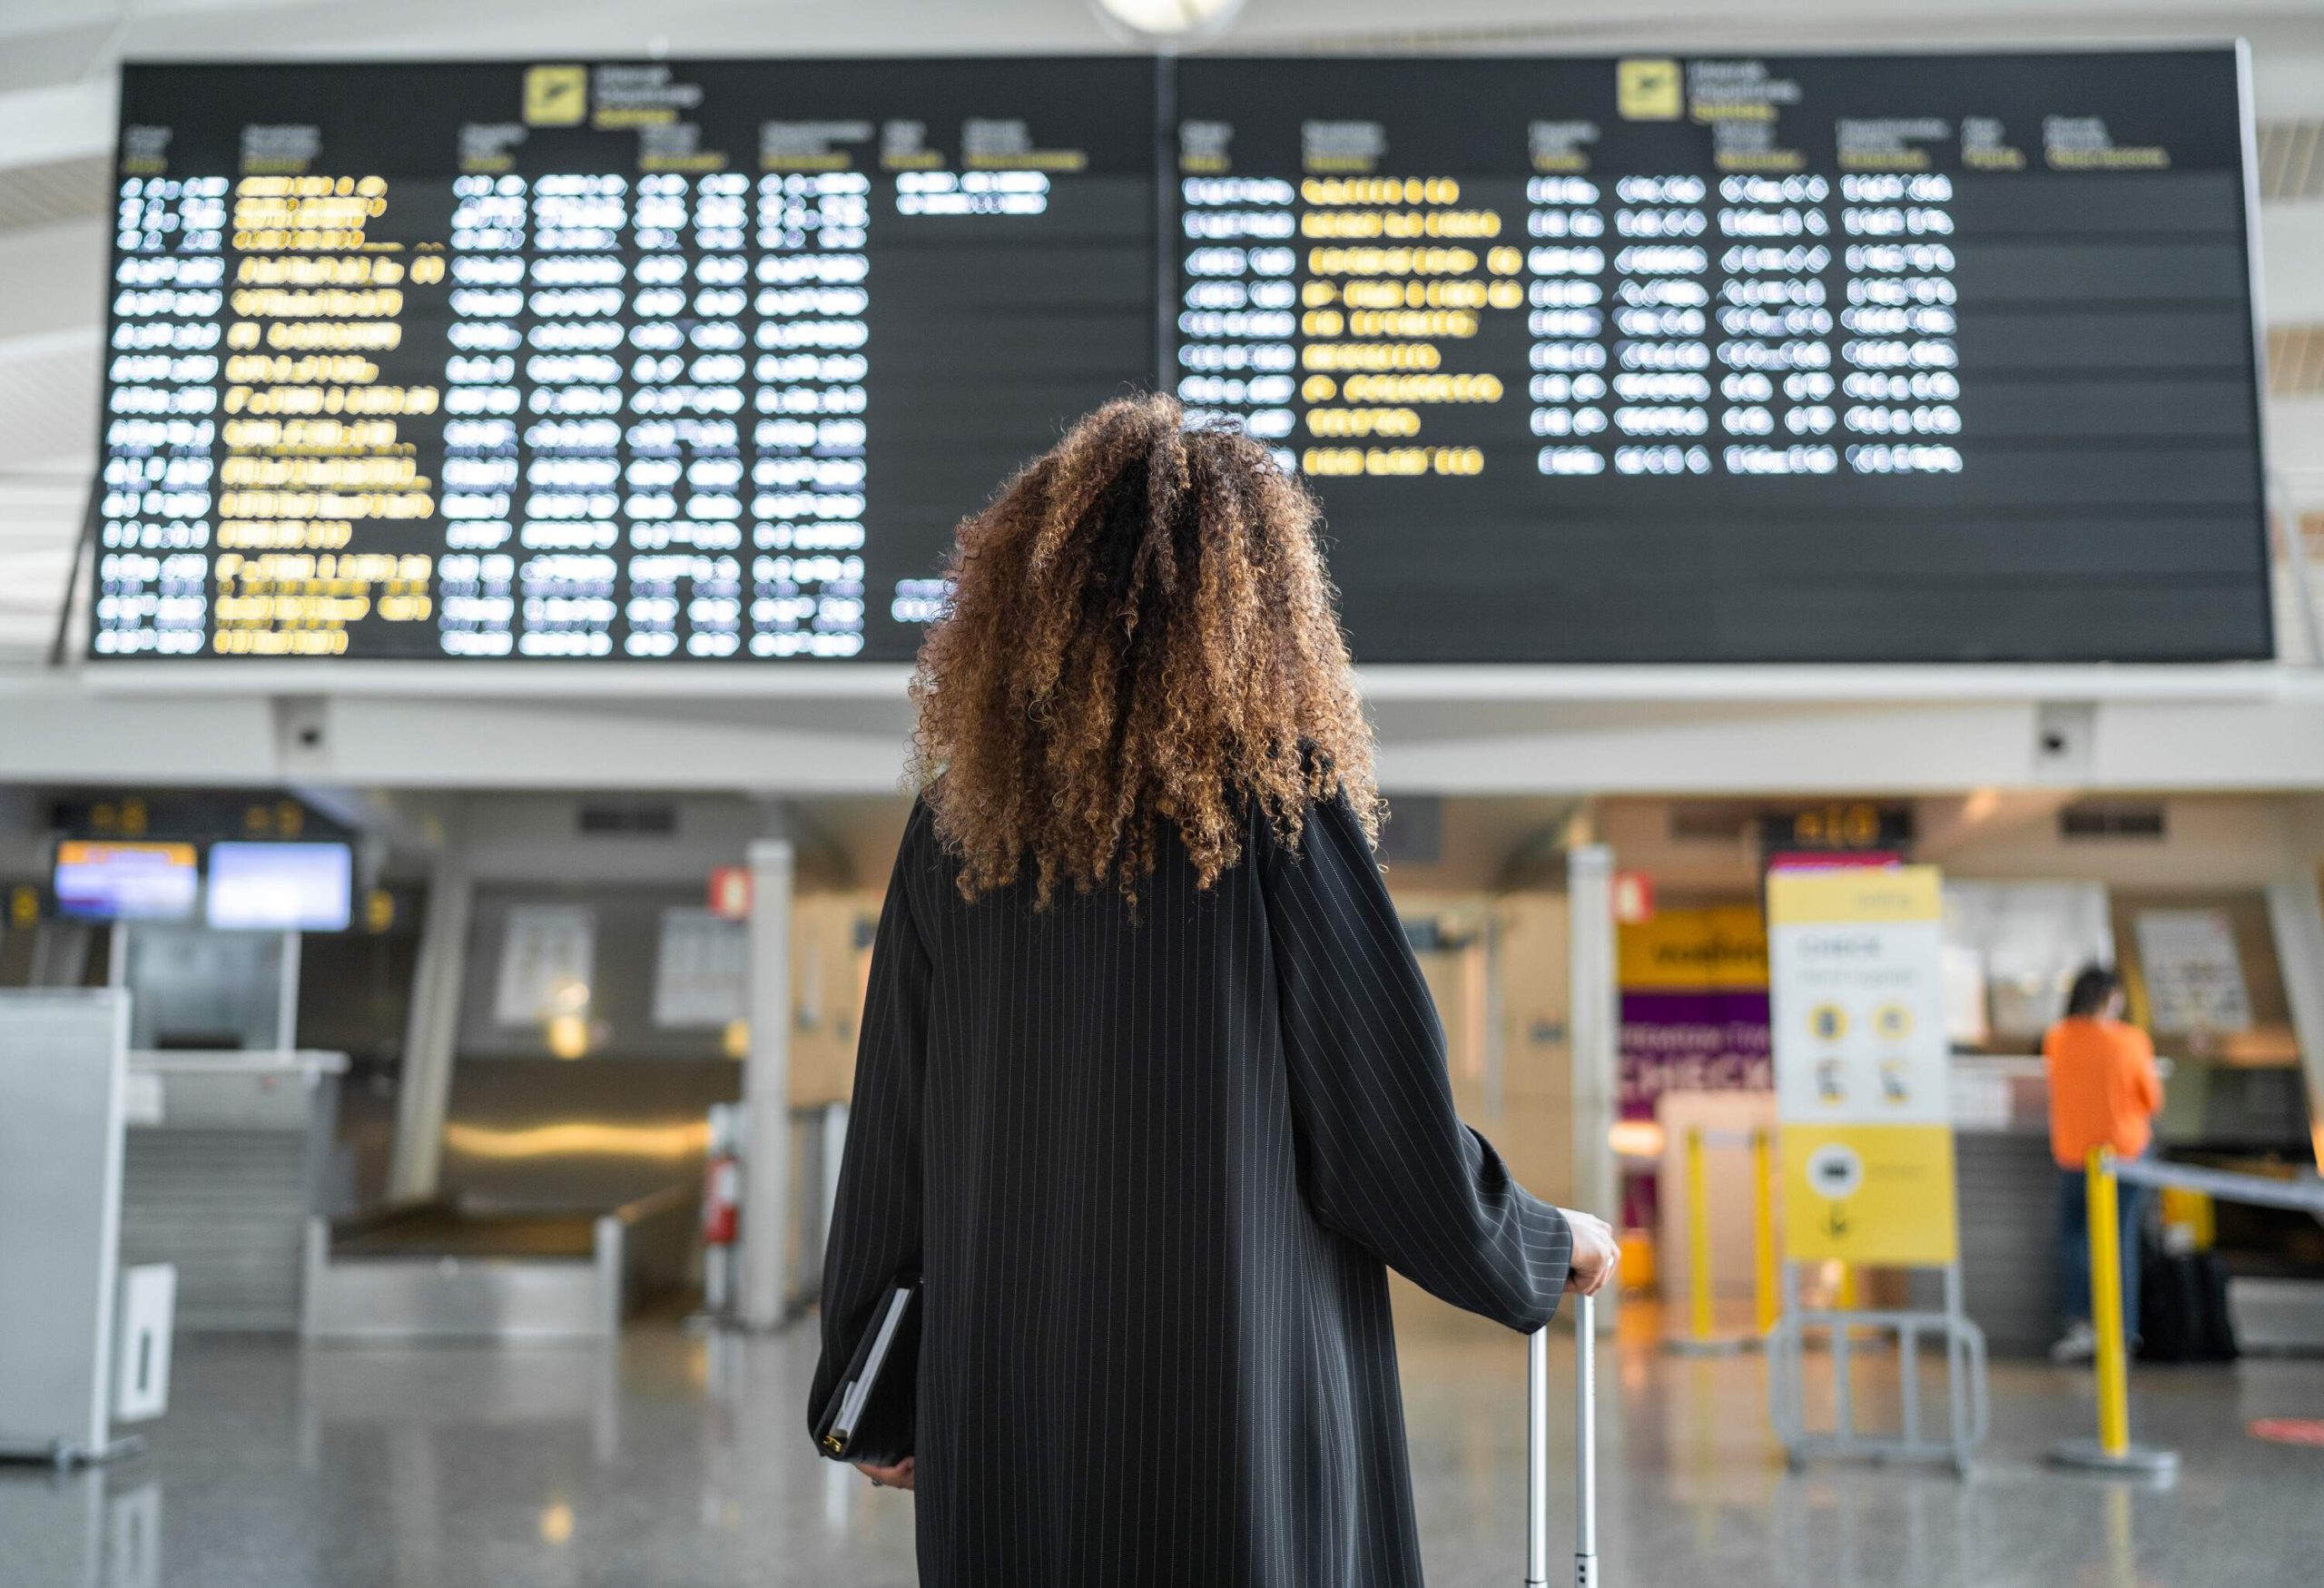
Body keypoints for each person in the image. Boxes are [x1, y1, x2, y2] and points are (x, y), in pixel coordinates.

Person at [810, 395, 1618, 1586]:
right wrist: (1544, 1245)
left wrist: (869, 1382)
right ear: (1260, 608)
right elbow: (1382, 1141)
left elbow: (893, 1133)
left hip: (1012, 1413)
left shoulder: (955, 827)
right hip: (1241, 1405)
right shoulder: (1275, 809)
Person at [2043, 963, 2163, 1364]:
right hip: (2124, 1155)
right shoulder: (2131, 1041)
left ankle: (2080, 1326)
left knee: (2075, 1240)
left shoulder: (2057, 1038)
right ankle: (2121, 1334)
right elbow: (2151, 1099)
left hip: (2075, 1154)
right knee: (2119, 1241)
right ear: (2112, 997)